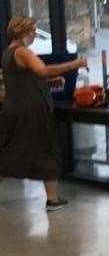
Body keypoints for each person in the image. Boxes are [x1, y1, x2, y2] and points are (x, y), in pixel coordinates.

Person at [0, 16, 88, 212]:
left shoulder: (7, 53)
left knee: (7, 152)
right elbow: (43, 70)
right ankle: (52, 200)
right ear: (23, 32)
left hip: (13, 109)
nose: (33, 34)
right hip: (32, 111)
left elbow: (24, 79)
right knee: (47, 151)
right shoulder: (22, 52)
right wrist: (75, 64)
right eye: (31, 30)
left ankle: (52, 198)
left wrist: (49, 82)